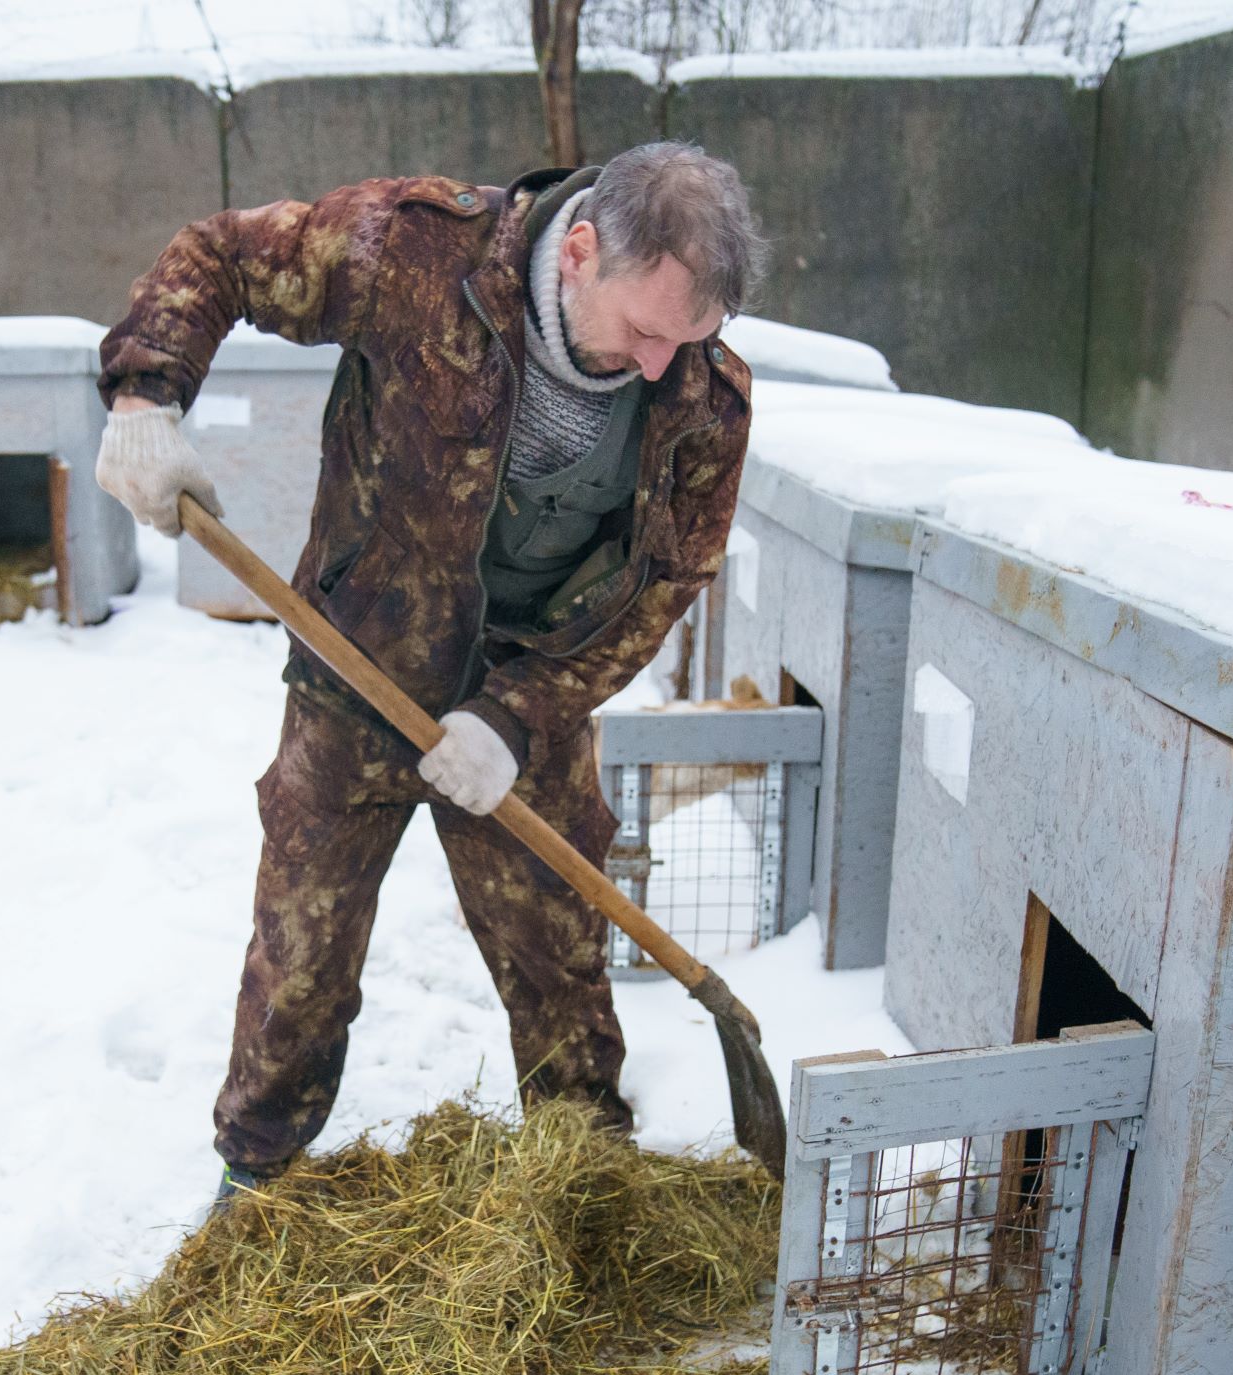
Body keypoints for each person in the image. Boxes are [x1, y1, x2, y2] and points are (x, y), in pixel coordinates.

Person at [94, 141, 766, 1197]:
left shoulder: (703, 399)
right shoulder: (409, 255)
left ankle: (583, 1186)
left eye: (688, 340)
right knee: (302, 950)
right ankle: (256, 1173)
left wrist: (518, 714)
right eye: (645, 329)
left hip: (523, 699)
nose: (657, 366)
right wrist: (144, 395)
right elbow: (219, 258)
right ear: (581, 251)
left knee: (558, 956)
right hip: (356, 668)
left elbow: (666, 583)